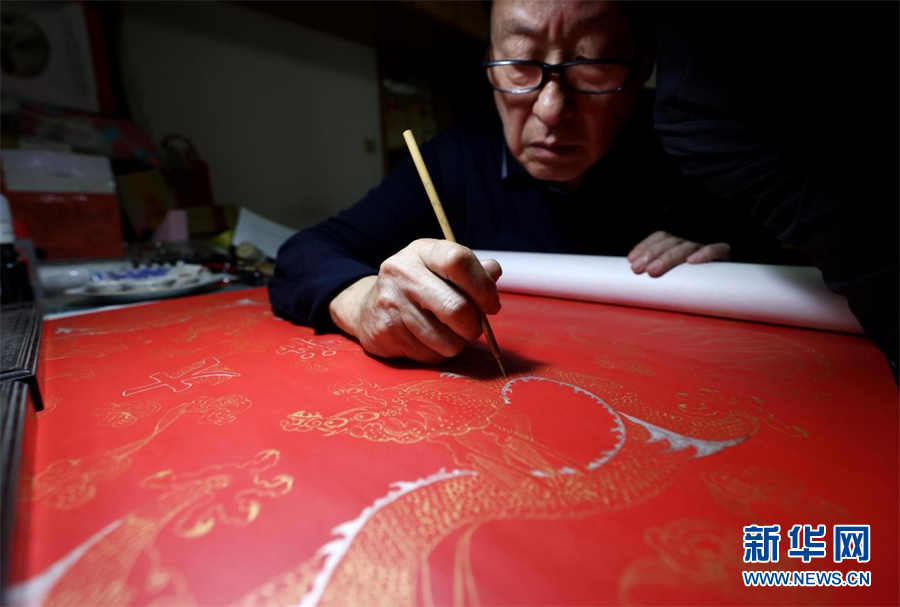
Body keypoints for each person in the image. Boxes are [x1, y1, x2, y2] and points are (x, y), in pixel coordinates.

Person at [269, 0, 765, 364]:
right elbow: (304, 253)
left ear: (642, 69)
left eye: (592, 65)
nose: (551, 109)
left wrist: (730, 266)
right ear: (490, 57)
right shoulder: (454, 159)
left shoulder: (697, 143)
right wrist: (362, 304)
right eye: (521, 64)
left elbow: (785, 259)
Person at [653, 3, 899, 376]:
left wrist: (735, 257)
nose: (560, 109)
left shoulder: (699, 128)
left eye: (588, 57)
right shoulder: (695, 119)